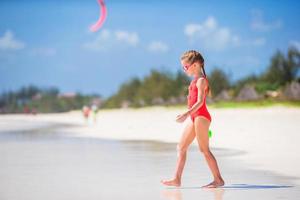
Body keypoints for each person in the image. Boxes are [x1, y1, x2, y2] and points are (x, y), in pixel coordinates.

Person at [161, 50, 225, 188]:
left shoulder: (201, 81)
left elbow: (201, 102)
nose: (184, 70)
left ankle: (218, 179)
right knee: (181, 147)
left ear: (195, 65)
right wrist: (188, 114)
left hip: (201, 117)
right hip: (194, 116)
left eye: (186, 67)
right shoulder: (195, 81)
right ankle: (176, 179)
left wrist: (186, 114)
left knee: (204, 150)